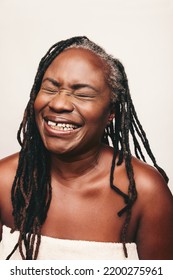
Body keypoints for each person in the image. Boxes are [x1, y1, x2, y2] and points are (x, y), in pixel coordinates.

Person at [0, 36, 172, 260]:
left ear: (111, 113)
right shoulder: (5, 181)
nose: (58, 104)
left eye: (82, 94)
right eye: (50, 89)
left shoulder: (145, 192)